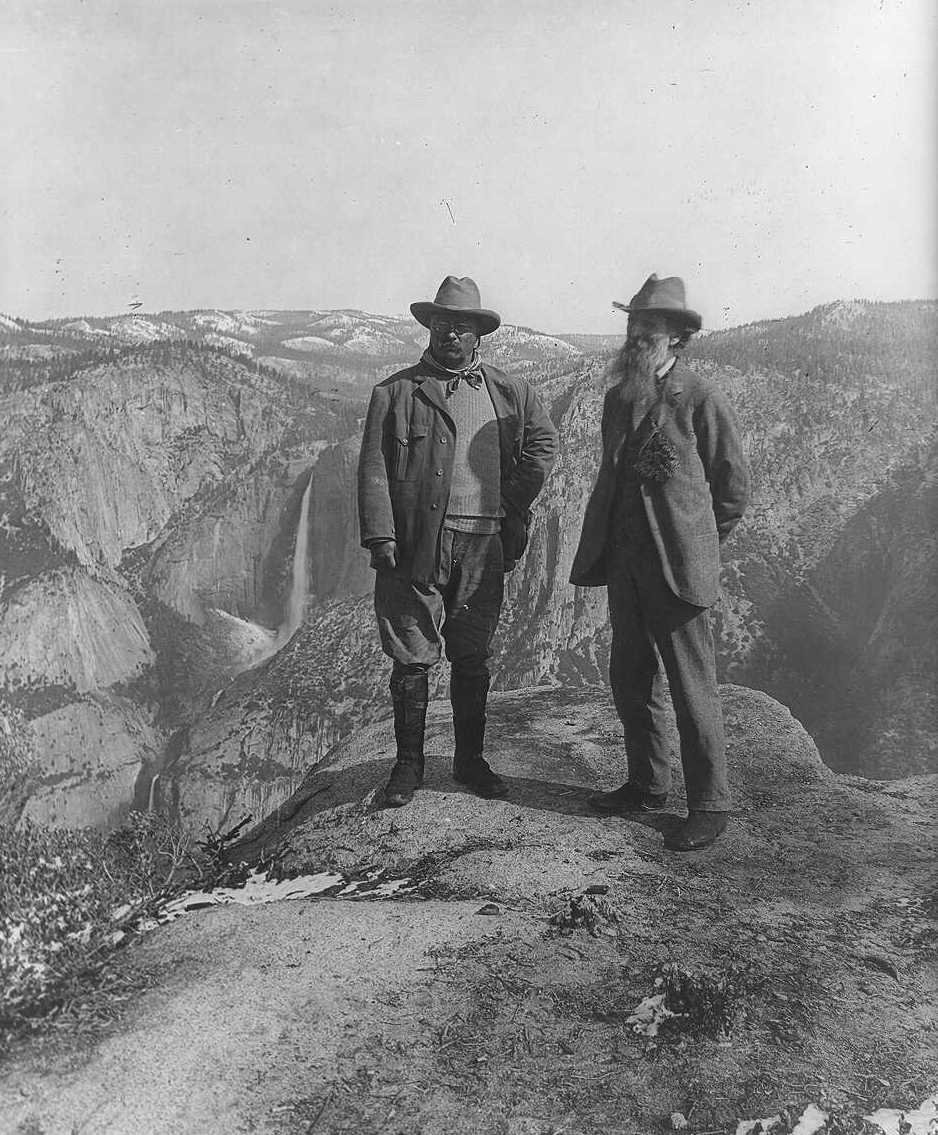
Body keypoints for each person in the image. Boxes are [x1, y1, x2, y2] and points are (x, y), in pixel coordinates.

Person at [358, 275, 557, 807]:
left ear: (478, 335)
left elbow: (543, 445)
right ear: (430, 328)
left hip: (484, 544)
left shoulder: (511, 393)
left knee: (472, 657)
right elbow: (374, 468)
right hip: (416, 544)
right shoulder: (395, 393)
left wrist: (514, 500)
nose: (451, 335)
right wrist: (381, 535)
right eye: (443, 325)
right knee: (411, 655)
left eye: (462, 328)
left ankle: (470, 761)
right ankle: (408, 768)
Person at [570, 274, 750, 851]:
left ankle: (711, 804)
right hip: (625, 566)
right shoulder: (618, 397)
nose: (638, 335)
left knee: (691, 685)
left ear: (677, 338)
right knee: (630, 677)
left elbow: (732, 490)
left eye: (650, 327)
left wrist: (696, 543)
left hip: (678, 570)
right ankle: (647, 785)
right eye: (634, 325)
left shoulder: (700, 398)